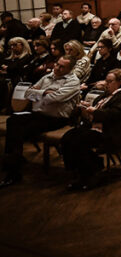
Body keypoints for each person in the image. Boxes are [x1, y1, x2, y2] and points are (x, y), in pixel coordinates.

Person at [0, 57, 81, 188]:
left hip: (56, 119)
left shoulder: (73, 82)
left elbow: (55, 98)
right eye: (57, 64)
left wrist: (38, 93)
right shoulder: (48, 77)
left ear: (70, 69)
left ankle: (12, 170)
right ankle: (14, 161)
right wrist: (44, 92)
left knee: (19, 131)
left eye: (62, 67)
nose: (57, 68)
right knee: (13, 120)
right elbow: (28, 94)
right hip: (39, 114)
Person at [61, 68, 121, 190]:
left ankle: (88, 174)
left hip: (113, 131)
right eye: (106, 81)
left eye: (110, 81)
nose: (106, 84)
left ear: (120, 82)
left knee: (79, 141)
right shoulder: (108, 93)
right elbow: (99, 109)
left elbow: (113, 115)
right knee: (68, 137)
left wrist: (95, 111)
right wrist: (87, 108)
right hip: (97, 127)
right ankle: (84, 168)